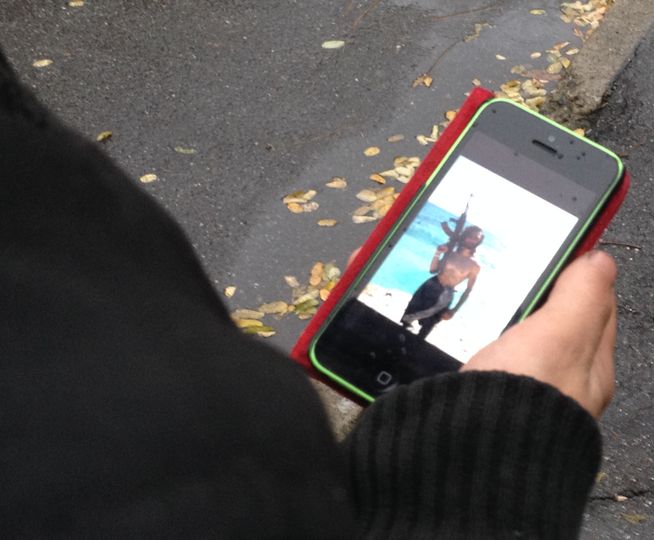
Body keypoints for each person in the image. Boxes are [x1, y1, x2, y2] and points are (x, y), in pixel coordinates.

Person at [0, 47, 616, 539]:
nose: (473, 236)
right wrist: (478, 483)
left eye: (476, 233)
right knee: (409, 322)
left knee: (420, 327)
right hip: (425, 292)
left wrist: (448, 304)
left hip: (435, 300)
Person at [401, 225, 483, 338]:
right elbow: (432, 270)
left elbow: (468, 290)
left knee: (425, 331)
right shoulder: (450, 253)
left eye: (476, 238)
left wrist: (454, 310)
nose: (472, 239)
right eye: (470, 236)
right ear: (465, 236)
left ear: (479, 241)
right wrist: (438, 253)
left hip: (444, 296)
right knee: (406, 321)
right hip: (429, 287)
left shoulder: (475, 265)